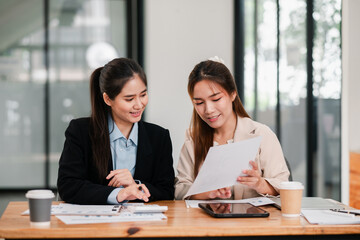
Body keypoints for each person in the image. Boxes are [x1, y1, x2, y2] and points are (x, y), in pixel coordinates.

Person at [58, 58, 175, 204]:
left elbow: (167, 191)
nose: (139, 105)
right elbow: (68, 185)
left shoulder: (159, 137)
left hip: (143, 224)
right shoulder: (80, 131)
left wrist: (135, 185)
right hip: (96, 224)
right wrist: (119, 194)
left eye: (143, 95)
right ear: (108, 99)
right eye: (129, 99)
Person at [174, 58, 289, 200]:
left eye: (216, 99)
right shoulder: (192, 140)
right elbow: (179, 190)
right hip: (207, 221)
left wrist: (261, 184)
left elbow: (284, 185)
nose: (208, 110)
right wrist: (208, 193)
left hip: (254, 221)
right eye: (199, 102)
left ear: (233, 94)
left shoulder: (261, 134)